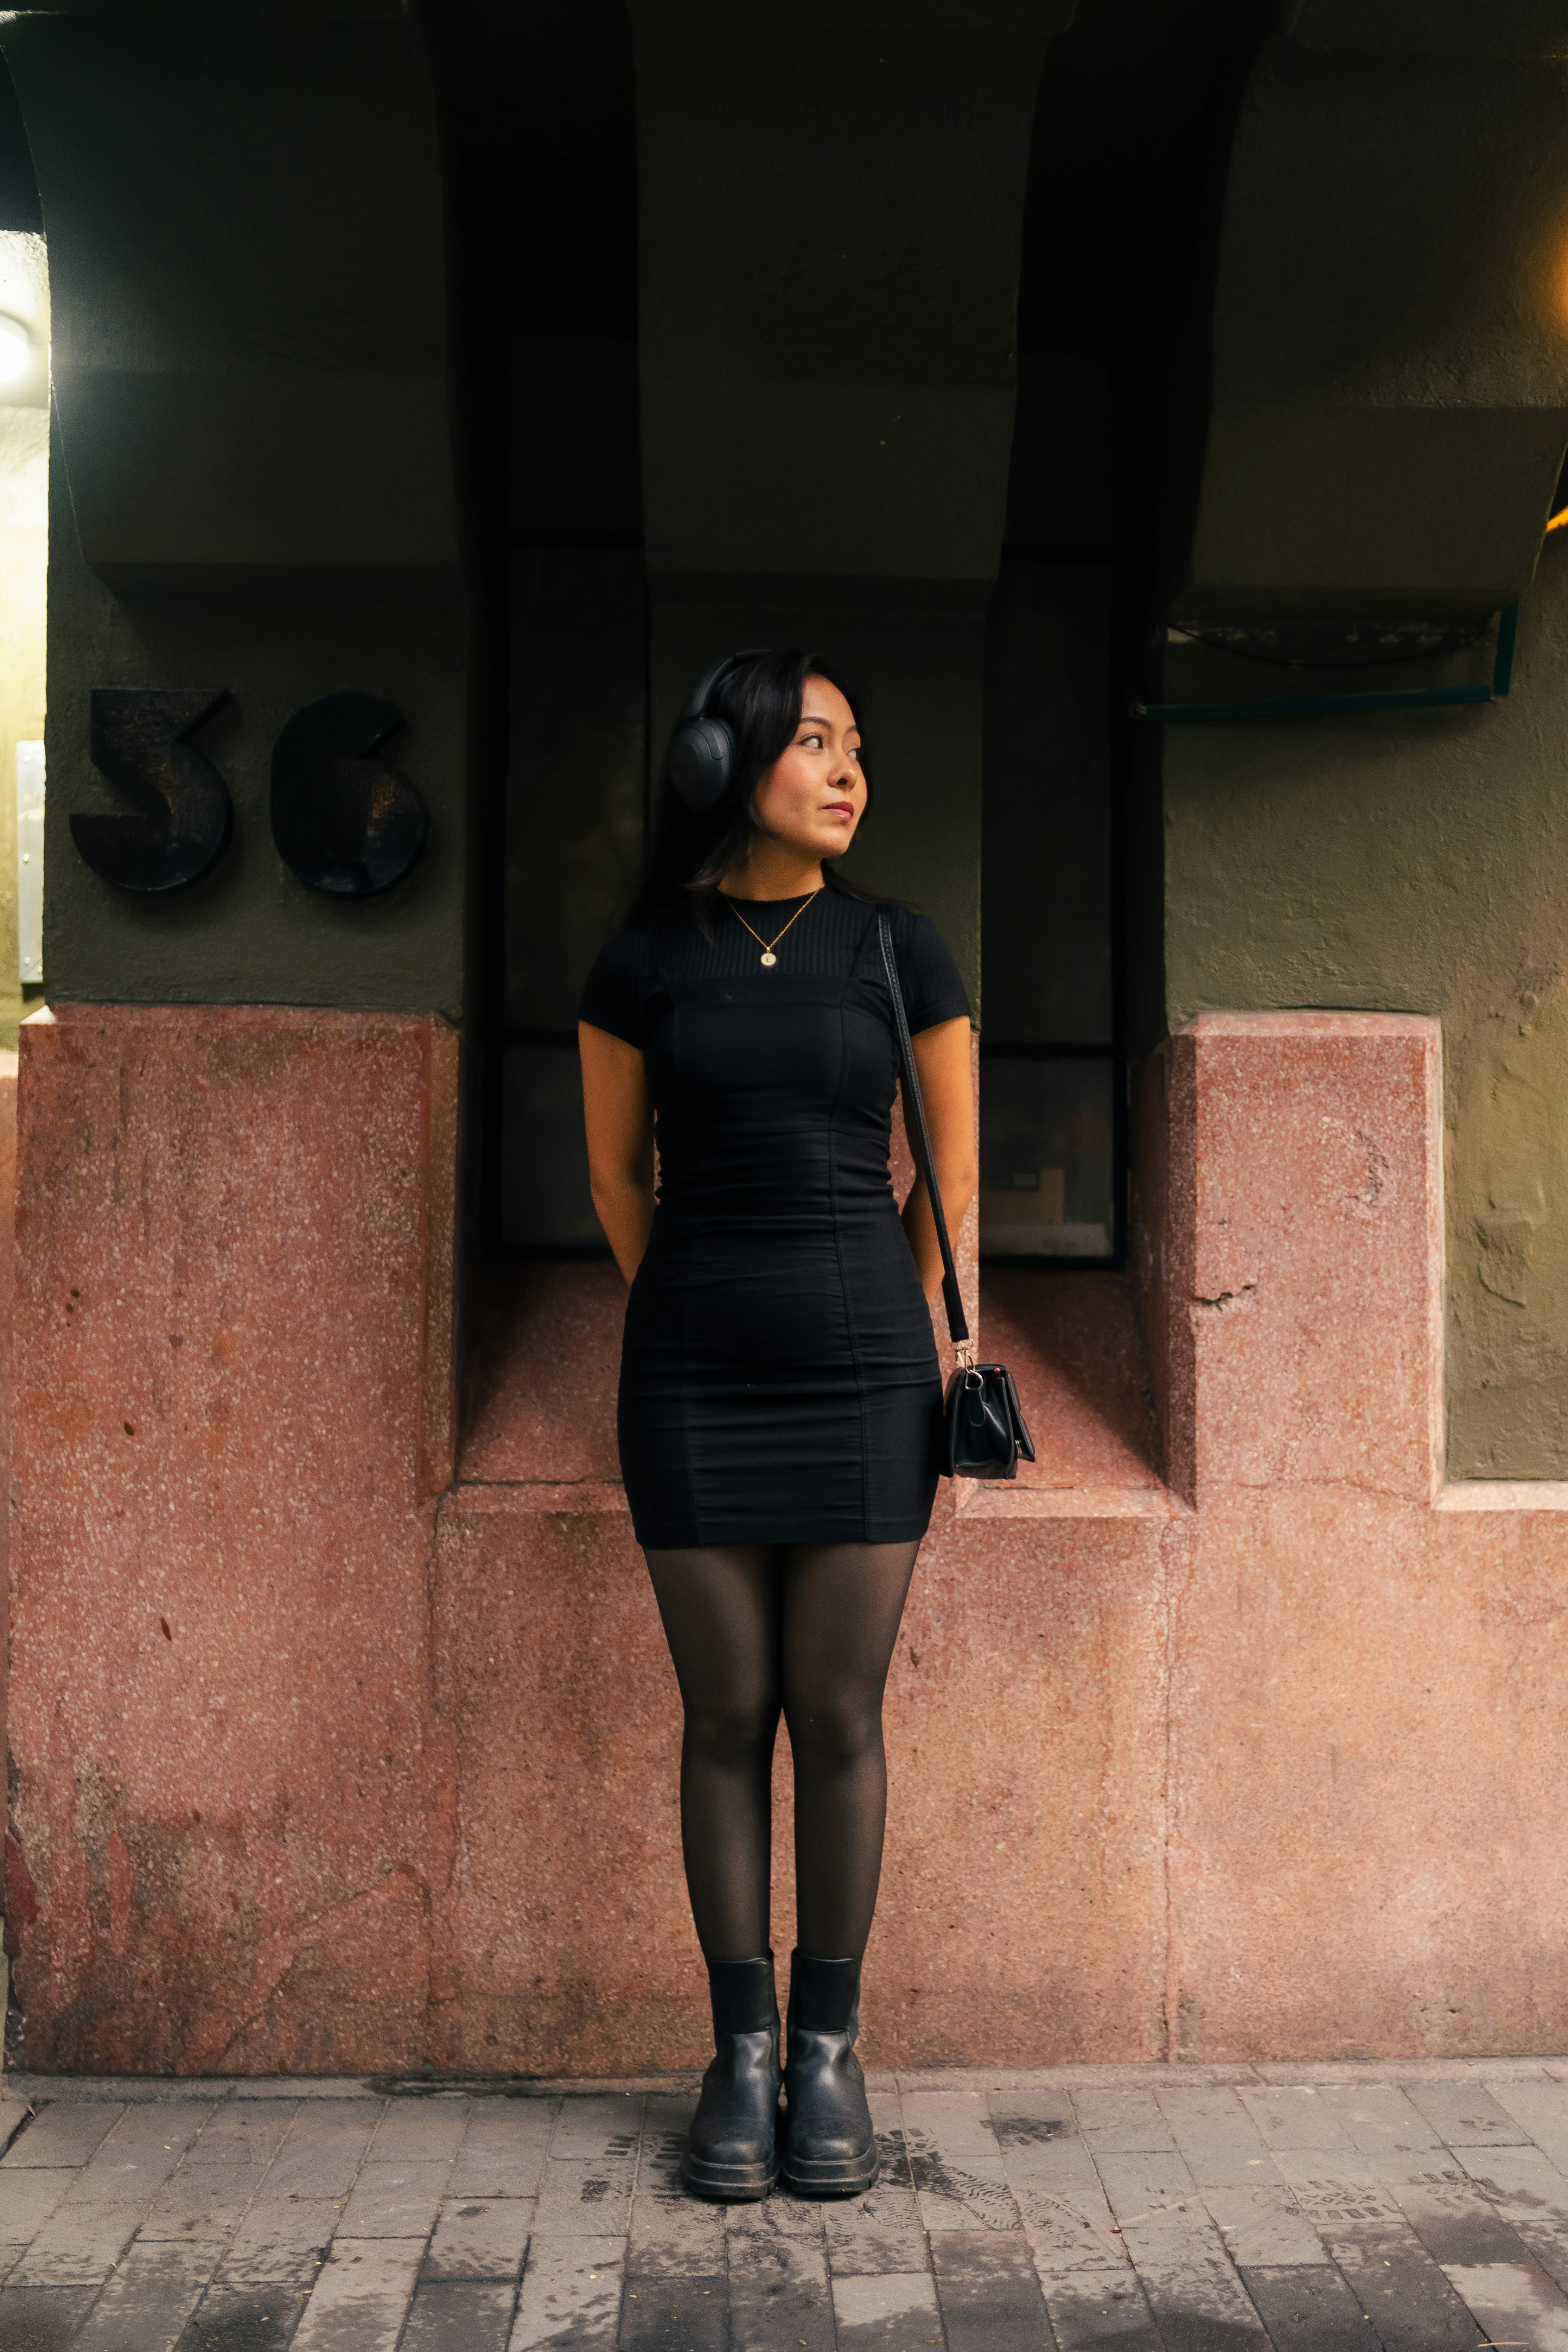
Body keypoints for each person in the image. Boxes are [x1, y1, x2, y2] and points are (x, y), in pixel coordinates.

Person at [577, 648, 976, 2201]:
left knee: (840, 1715)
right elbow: (619, 1181)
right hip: (687, 1375)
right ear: (724, 762)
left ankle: (828, 2053)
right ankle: (736, 2053)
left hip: (868, 1375)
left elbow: (946, 1176)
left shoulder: (898, 949)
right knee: (724, 1715)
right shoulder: (642, 962)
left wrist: (890, 1315)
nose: (848, 770)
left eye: (856, 747)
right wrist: (692, 1299)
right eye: (815, 743)